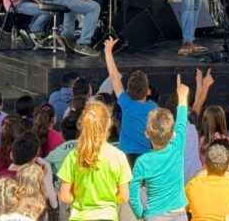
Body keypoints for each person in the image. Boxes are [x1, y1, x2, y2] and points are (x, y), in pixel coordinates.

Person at [58, 101, 132, 221]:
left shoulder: (73, 156)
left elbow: (64, 196)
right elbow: (124, 196)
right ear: (108, 123)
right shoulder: (119, 157)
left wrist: (77, 200)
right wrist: (110, 201)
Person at [128, 74, 189, 220]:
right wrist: (182, 97)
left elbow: (133, 194)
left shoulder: (142, 162)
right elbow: (181, 122)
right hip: (179, 214)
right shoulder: (177, 148)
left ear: (147, 134)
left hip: (154, 215)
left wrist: (141, 214)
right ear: (172, 134)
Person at [103, 38, 158, 166]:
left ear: (127, 90)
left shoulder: (126, 103)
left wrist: (108, 52)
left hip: (125, 157)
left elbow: (114, 77)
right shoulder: (153, 108)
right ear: (148, 91)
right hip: (145, 156)